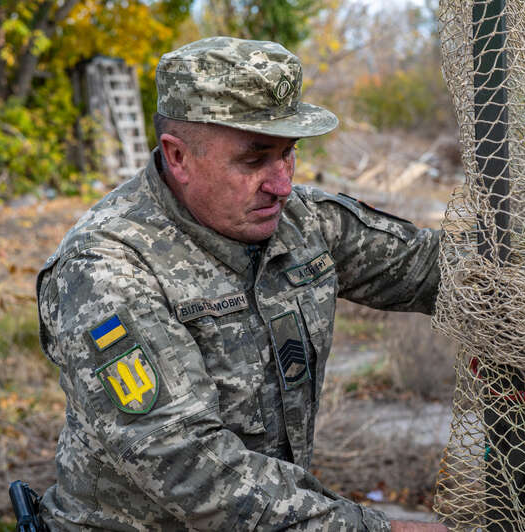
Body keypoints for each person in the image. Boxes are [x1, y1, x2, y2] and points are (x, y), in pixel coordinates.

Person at [36, 36, 447, 531]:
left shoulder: (299, 220)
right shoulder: (105, 269)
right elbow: (190, 468)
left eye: (288, 154)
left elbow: (432, 267)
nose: (282, 183)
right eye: (254, 161)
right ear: (179, 157)